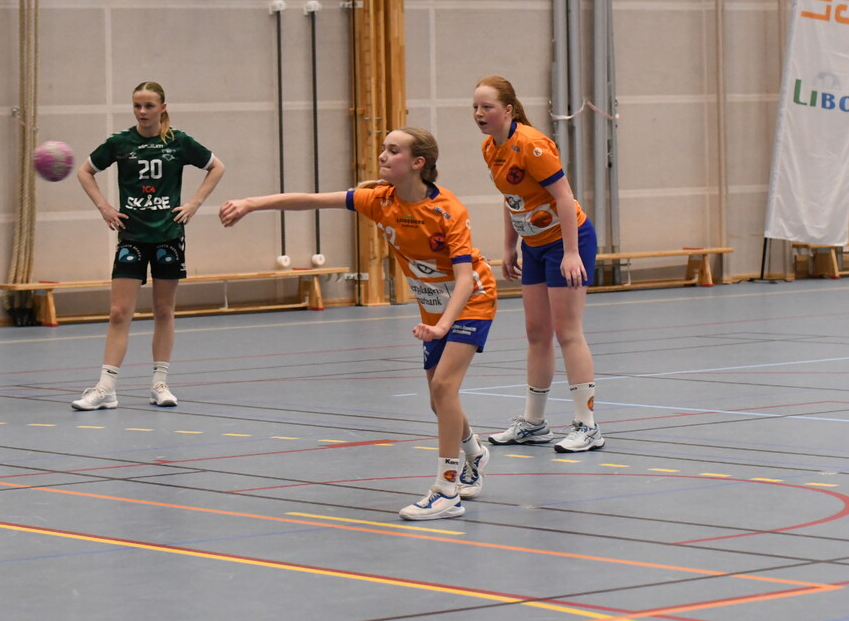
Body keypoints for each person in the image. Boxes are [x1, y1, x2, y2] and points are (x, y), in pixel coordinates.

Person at [219, 127, 496, 521]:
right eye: (383, 148)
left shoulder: (447, 210)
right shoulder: (379, 200)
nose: (382, 155)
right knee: (439, 401)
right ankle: (474, 453)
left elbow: (465, 280)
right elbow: (312, 200)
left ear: (417, 163)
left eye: (393, 150)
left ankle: (447, 490)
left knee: (443, 386)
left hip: (472, 300)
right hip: (434, 306)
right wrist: (251, 203)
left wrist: (441, 327)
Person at [72, 81, 225, 411]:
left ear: (162, 108)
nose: (142, 112)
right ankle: (106, 388)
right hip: (132, 237)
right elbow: (85, 171)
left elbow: (216, 167)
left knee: (163, 310)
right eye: (137, 106)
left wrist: (194, 204)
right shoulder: (120, 143)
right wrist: (104, 207)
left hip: (168, 235)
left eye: (149, 106)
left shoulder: (178, 142)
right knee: (119, 312)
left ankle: (160, 384)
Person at [472, 75, 604, 453]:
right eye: (475, 107)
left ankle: (587, 425)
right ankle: (534, 423)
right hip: (533, 244)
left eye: (487, 107)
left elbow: (564, 197)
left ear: (508, 110)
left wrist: (571, 252)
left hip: (566, 241)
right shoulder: (490, 148)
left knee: (568, 332)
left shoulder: (532, 145)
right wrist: (510, 246)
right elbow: (511, 197)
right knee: (536, 333)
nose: (479, 113)